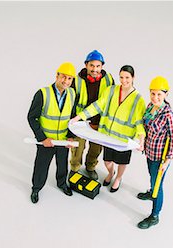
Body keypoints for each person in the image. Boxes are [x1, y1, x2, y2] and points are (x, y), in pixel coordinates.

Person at [70, 65, 145, 193]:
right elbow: (97, 106)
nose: (124, 80)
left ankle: (118, 178)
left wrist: (141, 141)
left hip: (124, 140)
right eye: (121, 77)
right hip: (108, 137)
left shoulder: (138, 99)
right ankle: (111, 173)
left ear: (133, 78)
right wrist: (78, 117)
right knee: (107, 161)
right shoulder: (111, 90)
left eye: (127, 77)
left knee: (122, 163)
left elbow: (139, 123)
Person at [27, 62, 77, 204]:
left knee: (62, 165)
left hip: (62, 140)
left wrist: (70, 137)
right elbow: (31, 117)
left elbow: (72, 118)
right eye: (63, 77)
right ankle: (36, 188)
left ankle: (62, 184)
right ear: (57, 76)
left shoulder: (72, 94)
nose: (66, 81)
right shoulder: (42, 93)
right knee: (41, 166)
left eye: (69, 79)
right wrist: (42, 138)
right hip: (46, 141)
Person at [137, 76, 173, 229]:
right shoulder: (149, 107)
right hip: (149, 153)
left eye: (159, 94)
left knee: (158, 185)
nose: (155, 97)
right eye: (153, 93)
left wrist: (166, 162)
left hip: (160, 158)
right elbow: (145, 127)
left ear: (166, 94)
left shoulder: (168, 115)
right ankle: (151, 192)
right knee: (152, 178)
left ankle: (155, 215)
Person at [69, 50, 115, 180]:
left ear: (102, 66)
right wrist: (73, 122)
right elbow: (71, 102)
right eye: (92, 66)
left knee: (96, 149)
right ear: (86, 65)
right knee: (78, 148)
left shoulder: (108, 79)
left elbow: (111, 100)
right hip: (80, 122)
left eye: (98, 66)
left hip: (99, 122)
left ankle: (90, 167)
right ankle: (74, 169)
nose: (95, 69)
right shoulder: (76, 80)